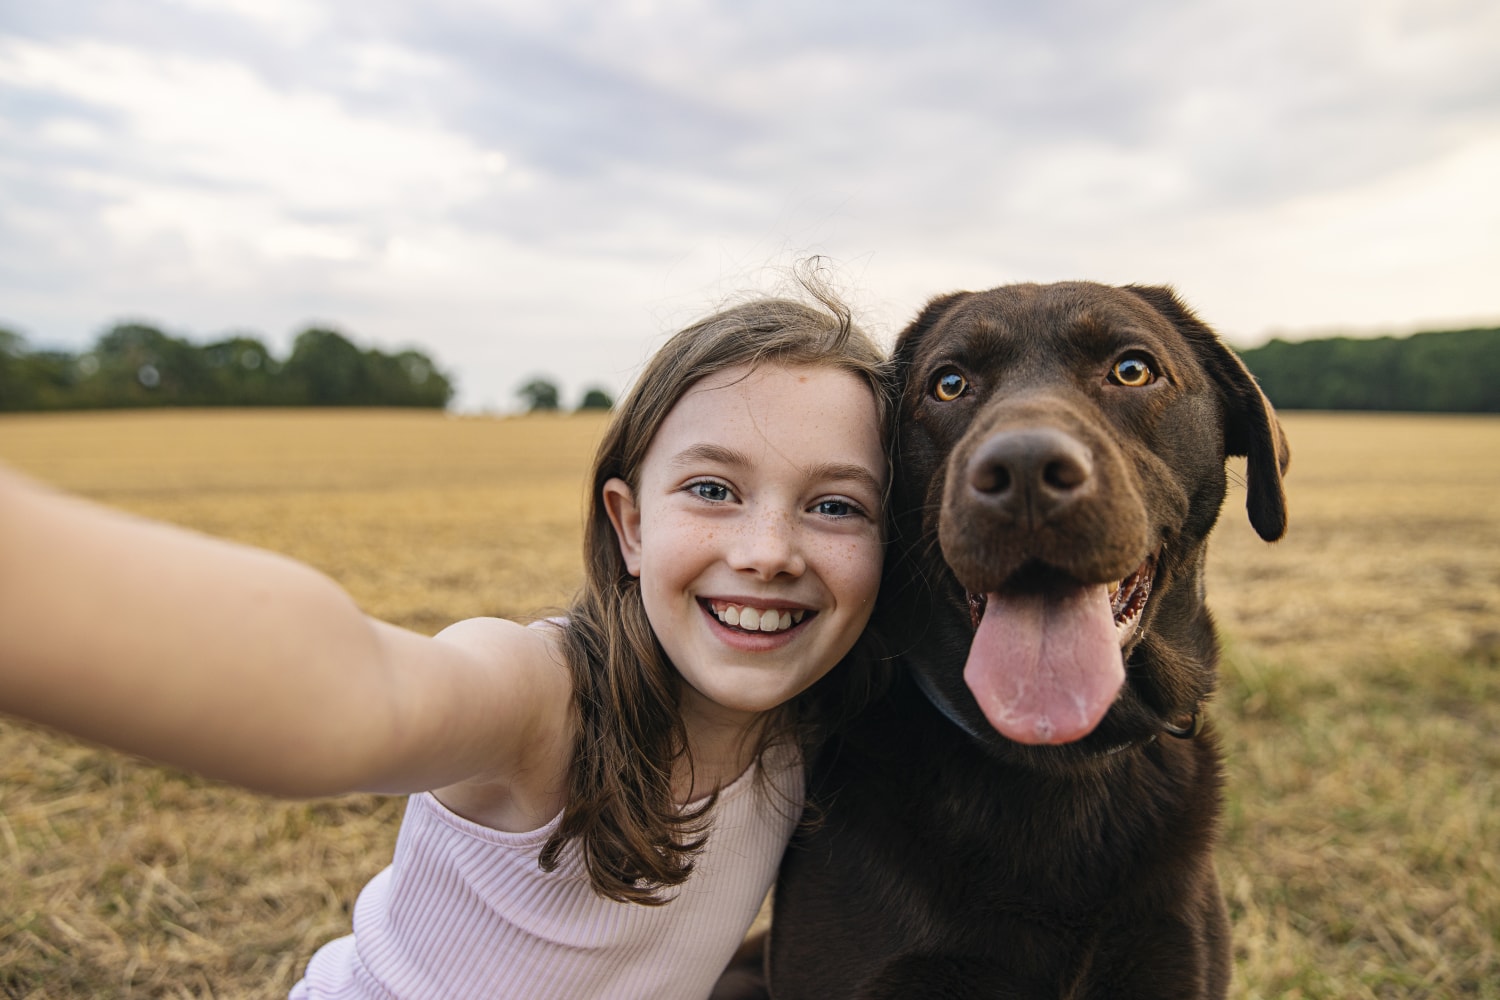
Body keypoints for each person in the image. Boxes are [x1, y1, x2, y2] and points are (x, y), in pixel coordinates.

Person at [0, 294, 893, 999]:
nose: (768, 552)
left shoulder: (813, 728)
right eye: (712, 488)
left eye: (836, 506)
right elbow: (354, 690)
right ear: (628, 525)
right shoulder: (541, 700)